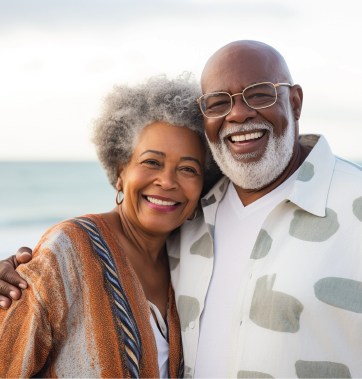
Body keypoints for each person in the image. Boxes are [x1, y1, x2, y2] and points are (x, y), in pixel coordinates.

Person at [2, 40, 362, 378]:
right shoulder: (176, 226)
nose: (239, 113)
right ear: (118, 170)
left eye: (259, 93)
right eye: (219, 102)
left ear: (294, 102)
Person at [0, 73, 220, 378]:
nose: (167, 181)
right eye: (151, 162)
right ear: (121, 171)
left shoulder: (189, 258)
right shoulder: (68, 248)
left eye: (187, 169)